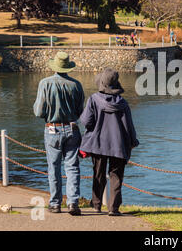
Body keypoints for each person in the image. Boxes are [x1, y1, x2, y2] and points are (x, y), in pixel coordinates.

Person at [79, 68, 139, 216]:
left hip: (98, 143)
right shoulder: (123, 103)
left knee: (98, 174)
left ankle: (96, 205)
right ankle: (114, 208)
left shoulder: (93, 99)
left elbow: (86, 121)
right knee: (116, 176)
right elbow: (129, 125)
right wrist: (133, 141)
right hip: (118, 144)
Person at [33, 52, 85, 216]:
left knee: (53, 168)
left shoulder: (45, 83)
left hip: (52, 129)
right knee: (72, 168)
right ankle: (73, 203)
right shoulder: (76, 85)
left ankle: (55, 203)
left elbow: (38, 111)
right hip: (72, 129)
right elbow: (80, 112)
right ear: (68, 66)